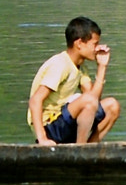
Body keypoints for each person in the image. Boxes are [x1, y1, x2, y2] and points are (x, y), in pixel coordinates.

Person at [29, 17, 120, 145]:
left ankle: (89, 147)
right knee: (88, 101)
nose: (97, 48)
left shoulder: (80, 67)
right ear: (79, 44)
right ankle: (81, 150)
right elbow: (35, 100)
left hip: (64, 123)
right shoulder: (60, 64)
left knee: (112, 106)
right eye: (94, 44)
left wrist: (102, 66)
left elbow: (94, 99)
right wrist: (42, 138)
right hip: (50, 128)